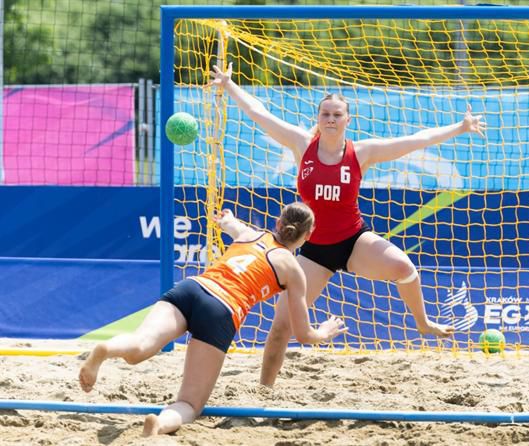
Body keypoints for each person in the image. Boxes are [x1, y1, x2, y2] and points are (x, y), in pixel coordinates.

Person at [211, 63, 486, 387]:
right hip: (313, 251)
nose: (330, 119)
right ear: (318, 118)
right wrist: (229, 85)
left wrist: (460, 127)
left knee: (403, 266)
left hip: (353, 241)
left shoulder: (362, 152)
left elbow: (415, 140)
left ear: (347, 120)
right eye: (325, 113)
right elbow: (261, 114)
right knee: (281, 326)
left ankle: (423, 323)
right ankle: (264, 391)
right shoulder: (302, 145)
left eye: (337, 114)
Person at [78, 202, 347, 436]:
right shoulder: (293, 269)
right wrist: (323, 331)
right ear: (308, 235)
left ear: (278, 222)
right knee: (190, 404)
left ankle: (105, 349)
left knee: (139, 347)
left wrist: (226, 219)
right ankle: (158, 424)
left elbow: (230, 224)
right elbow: (301, 333)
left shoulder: (250, 233)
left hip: (192, 288)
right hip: (222, 310)